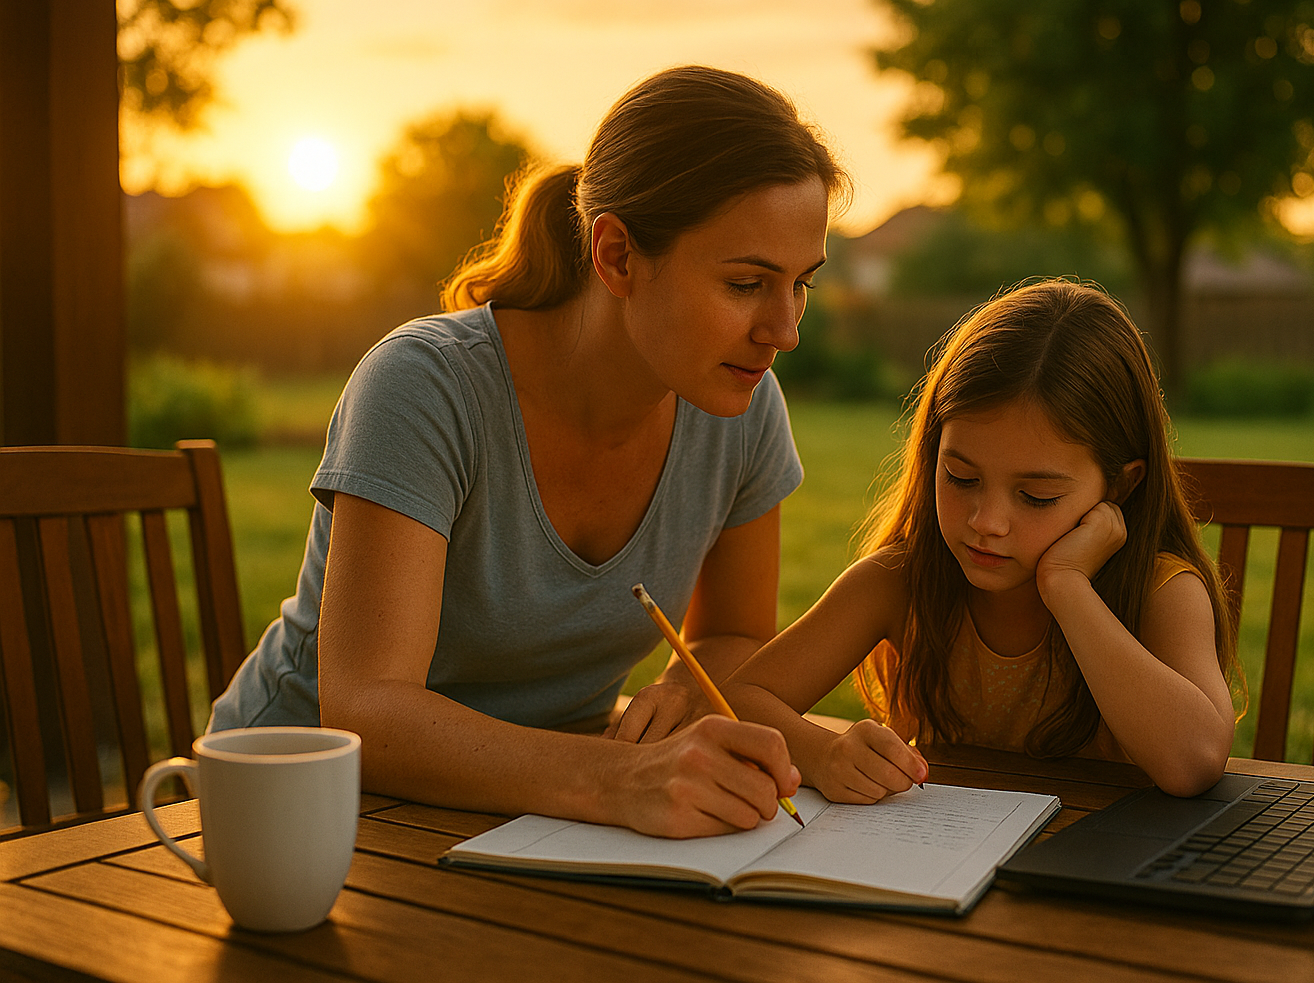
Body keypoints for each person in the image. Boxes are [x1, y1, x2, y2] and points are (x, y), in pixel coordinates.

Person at [208, 66, 850, 838]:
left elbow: (738, 633)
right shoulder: (424, 387)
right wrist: (620, 778)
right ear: (615, 255)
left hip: (529, 817)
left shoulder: (741, 407)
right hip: (296, 817)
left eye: (800, 285)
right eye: (748, 283)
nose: (785, 331)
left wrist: (687, 685)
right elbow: (367, 715)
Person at [724, 280, 1241, 801]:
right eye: (962, 478)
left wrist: (1067, 587)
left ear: (1122, 485)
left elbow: (1193, 763)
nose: (987, 521)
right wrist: (821, 753)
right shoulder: (899, 581)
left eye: (1036, 496)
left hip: (1106, 868)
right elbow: (736, 699)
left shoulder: (1160, 592)